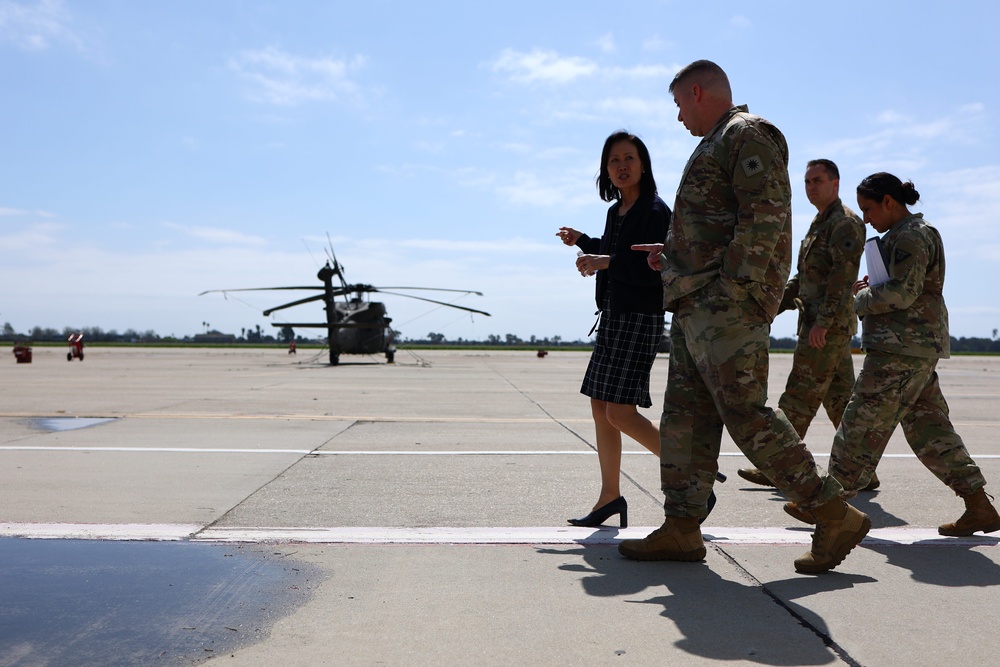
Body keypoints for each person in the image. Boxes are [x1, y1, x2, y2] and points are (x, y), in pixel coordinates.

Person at [622, 60, 869, 574]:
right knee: (685, 421)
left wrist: (733, 293)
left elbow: (765, 219)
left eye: (677, 105)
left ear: (696, 92)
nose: (677, 117)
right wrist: (671, 256)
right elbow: (716, 227)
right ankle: (682, 528)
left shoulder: (746, 135)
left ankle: (832, 512)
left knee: (746, 414)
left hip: (723, 309)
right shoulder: (712, 143)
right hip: (695, 305)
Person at [782, 173, 1000, 536]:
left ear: (888, 201)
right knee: (930, 431)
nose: (866, 218)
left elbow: (903, 293)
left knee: (858, 424)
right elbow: (903, 286)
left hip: (900, 350)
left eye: (869, 209)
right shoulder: (904, 235)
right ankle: (979, 506)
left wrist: (861, 299)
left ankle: (827, 505)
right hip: (911, 347)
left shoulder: (911, 236)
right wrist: (874, 286)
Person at [737, 159, 877, 490]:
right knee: (842, 402)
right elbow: (805, 279)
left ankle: (779, 466)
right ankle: (863, 472)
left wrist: (823, 324)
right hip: (822, 326)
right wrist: (770, 305)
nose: (810, 187)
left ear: (835, 184)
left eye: (817, 180)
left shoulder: (845, 224)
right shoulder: (819, 223)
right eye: (807, 182)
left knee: (798, 397)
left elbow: (842, 282)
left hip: (825, 329)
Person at [556, 130, 671, 529]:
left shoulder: (655, 211)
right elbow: (614, 251)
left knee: (620, 413)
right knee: (601, 409)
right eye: (613, 161)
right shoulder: (616, 211)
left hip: (640, 319)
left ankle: (692, 474)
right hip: (613, 317)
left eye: (629, 158)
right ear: (606, 170)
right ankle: (610, 497)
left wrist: (602, 262)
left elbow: (650, 271)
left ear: (643, 165)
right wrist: (584, 244)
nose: (621, 166)